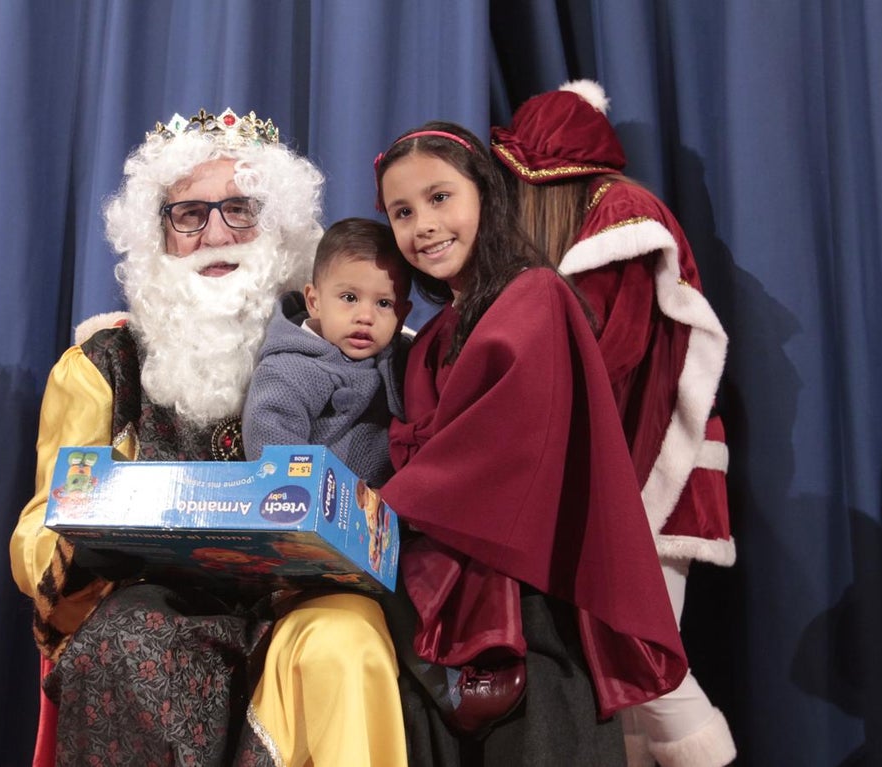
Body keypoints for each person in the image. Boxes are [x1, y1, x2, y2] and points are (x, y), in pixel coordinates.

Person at [9, 108, 407, 767]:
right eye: (188, 215)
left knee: (346, 641)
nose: (216, 232)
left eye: (240, 209)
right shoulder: (102, 366)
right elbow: (36, 535)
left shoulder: (354, 342)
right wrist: (91, 520)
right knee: (125, 644)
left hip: (306, 599)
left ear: (276, 228)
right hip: (161, 602)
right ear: (157, 236)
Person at [373, 121, 690, 765]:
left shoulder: (536, 295)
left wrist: (381, 507)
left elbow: (500, 447)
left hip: (531, 612)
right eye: (402, 212)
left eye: (440, 198)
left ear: (486, 196)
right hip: (448, 616)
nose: (423, 225)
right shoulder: (430, 340)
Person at [492, 80, 737, 767]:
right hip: (626, 473)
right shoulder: (595, 224)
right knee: (621, 685)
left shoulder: (622, 222)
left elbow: (608, 356)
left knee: (644, 662)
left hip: (652, 473)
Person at [242, 216, 411, 488]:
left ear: (402, 316)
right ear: (314, 302)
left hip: (386, 515)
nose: (365, 316)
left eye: (383, 303)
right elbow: (270, 440)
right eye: (349, 298)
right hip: (316, 510)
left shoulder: (404, 360)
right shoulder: (289, 368)